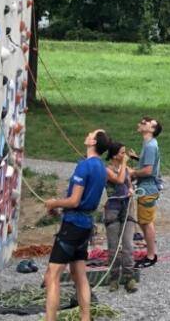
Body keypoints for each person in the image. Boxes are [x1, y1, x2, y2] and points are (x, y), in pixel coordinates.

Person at [43, 129, 110, 321]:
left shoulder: (84, 166)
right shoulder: (101, 168)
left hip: (72, 225)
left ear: (93, 142)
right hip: (86, 225)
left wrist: (54, 202)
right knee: (79, 273)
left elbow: (74, 201)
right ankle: (85, 318)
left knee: (53, 276)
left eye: (91, 134)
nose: (87, 134)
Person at [104, 141, 138, 292]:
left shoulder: (125, 168)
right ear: (114, 155)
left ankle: (129, 277)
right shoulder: (107, 169)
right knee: (113, 247)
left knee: (128, 245)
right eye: (122, 153)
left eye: (125, 152)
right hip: (113, 208)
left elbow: (128, 181)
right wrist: (124, 165)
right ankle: (113, 278)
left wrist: (131, 189)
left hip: (127, 207)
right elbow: (118, 180)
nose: (124, 155)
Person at [131, 116, 163, 268]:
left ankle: (151, 256)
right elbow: (151, 163)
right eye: (142, 121)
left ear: (152, 130)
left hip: (148, 189)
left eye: (146, 122)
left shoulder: (150, 145)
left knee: (146, 223)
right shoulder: (148, 143)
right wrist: (137, 158)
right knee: (144, 222)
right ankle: (151, 252)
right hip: (147, 188)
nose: (142, 122)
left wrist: (133, 173)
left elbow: (149, 170)